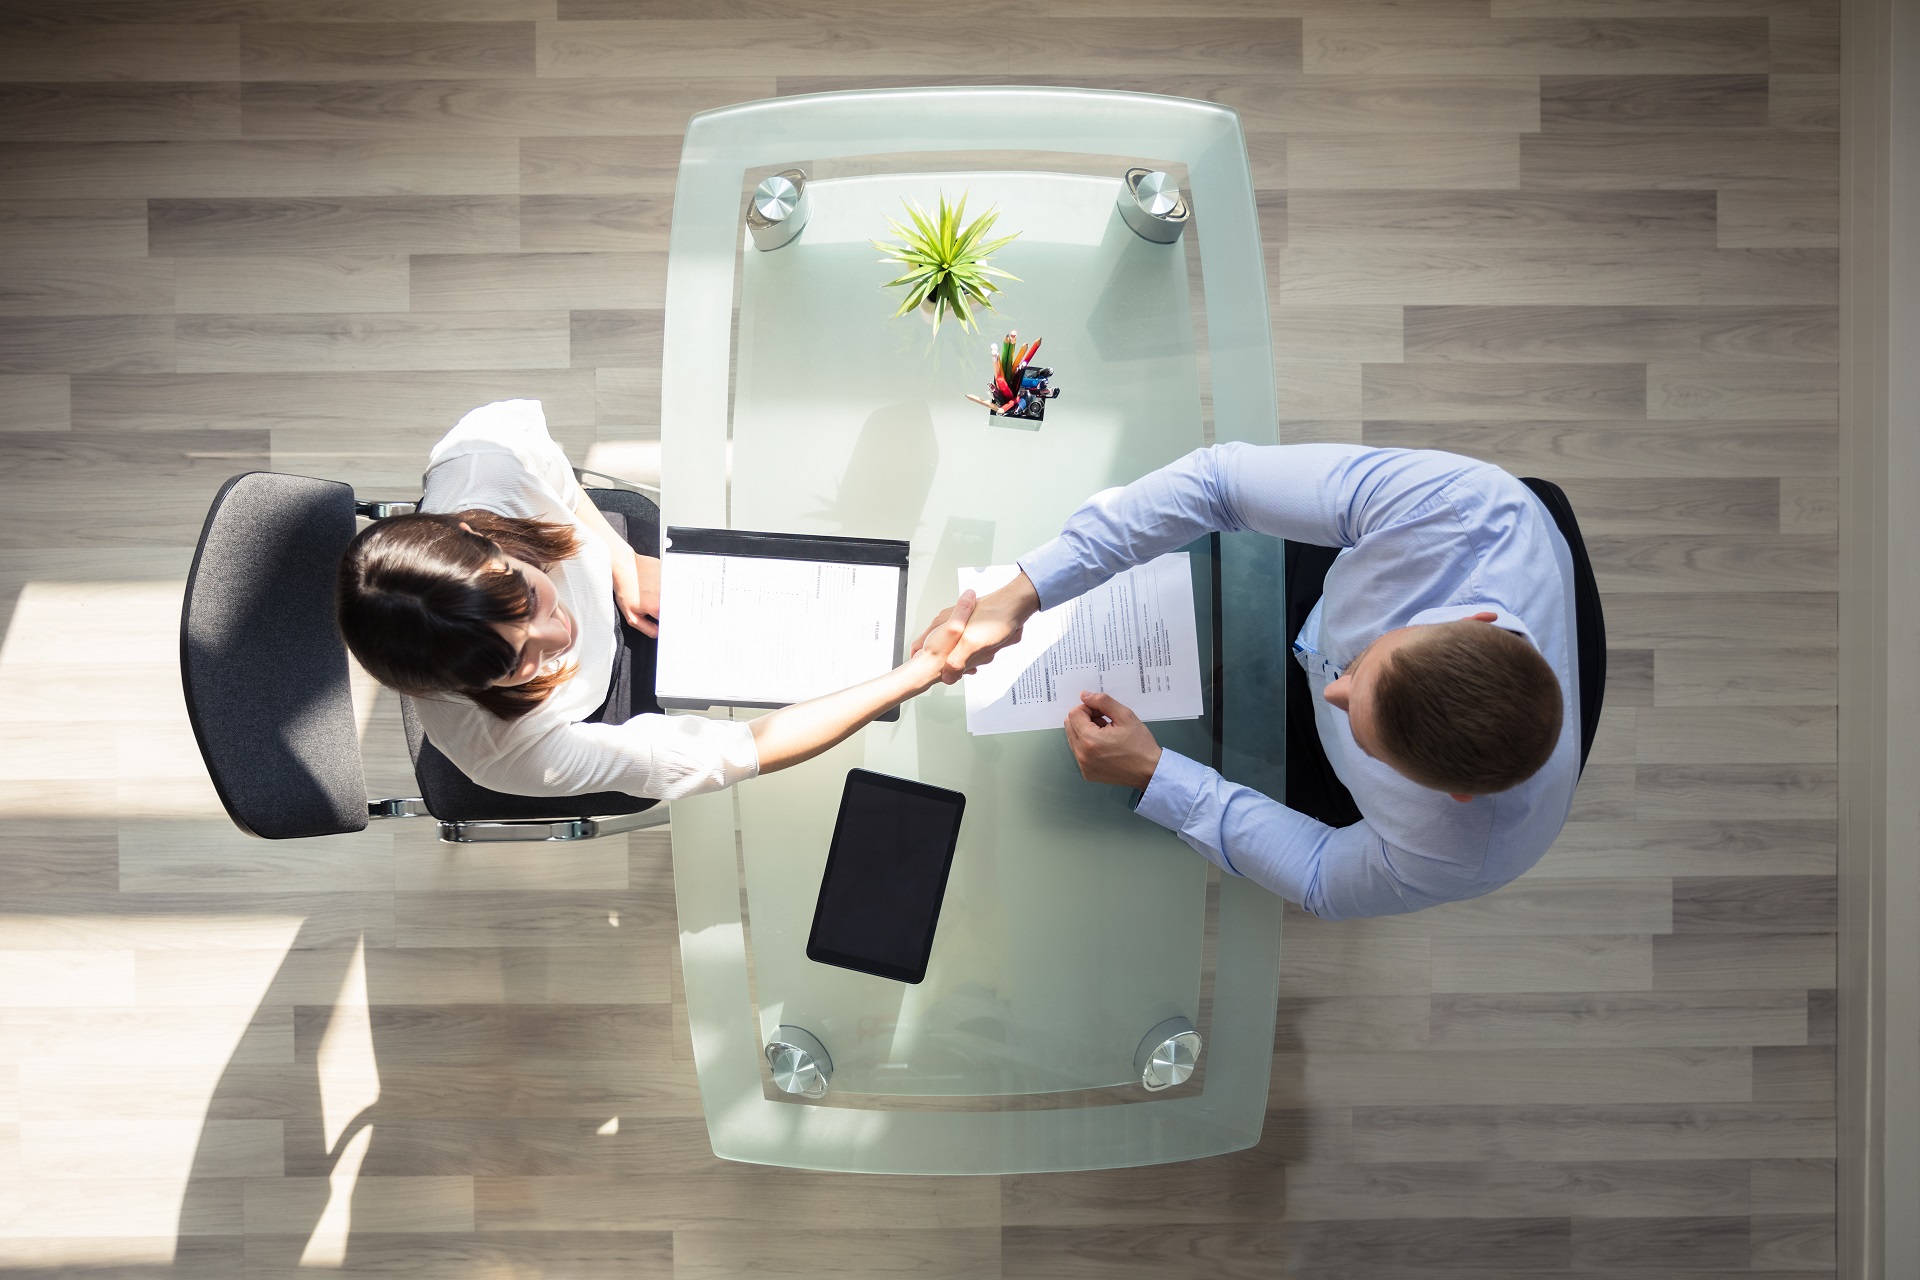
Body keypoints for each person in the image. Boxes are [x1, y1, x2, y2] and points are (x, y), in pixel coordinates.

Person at [917, 443, 1581, 921]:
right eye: (1364, 666)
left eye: (1367, 737)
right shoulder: (1463, 510)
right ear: (1477, 618)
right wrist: (1028, 590)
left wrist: (1155, 775)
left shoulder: (1466, 853)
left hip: (1310, 758)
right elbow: (1215, 485)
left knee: (1050, 804)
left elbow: (1322, 874)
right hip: (1318, 595)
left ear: (1457, 795)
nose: (1333, 692)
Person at [337, 399, 974, 802]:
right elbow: (736, 752)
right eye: (516, 663)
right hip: (601, 706)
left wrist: (615, 557)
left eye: (528, 599)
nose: (558, 638)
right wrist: (916, 675)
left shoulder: (485, 460)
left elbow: (550, 463)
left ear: (477, 534)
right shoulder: (502, 752)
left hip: (625, 580)